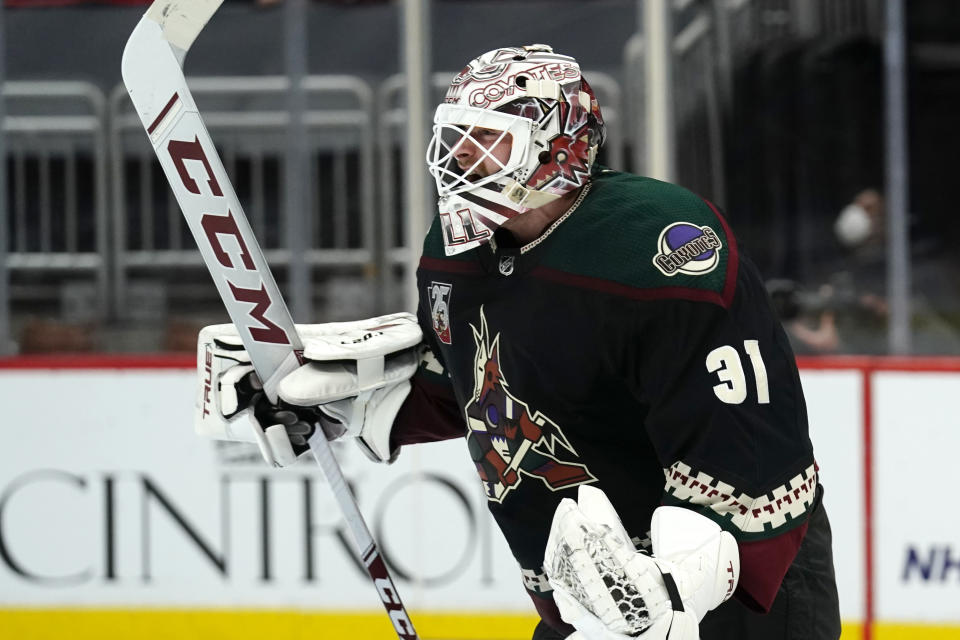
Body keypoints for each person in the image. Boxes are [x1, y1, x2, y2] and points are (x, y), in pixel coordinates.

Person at [196, 45, 841, 640]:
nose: (459, 165)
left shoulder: (658, 248)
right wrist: (331, 404)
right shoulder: (454, 254)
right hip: (583, 601)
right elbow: (475, 388)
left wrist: (671, 583)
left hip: (731, 594)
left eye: (487, 146)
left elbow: (749, 445)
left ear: (560, 151)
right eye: (455, 142)